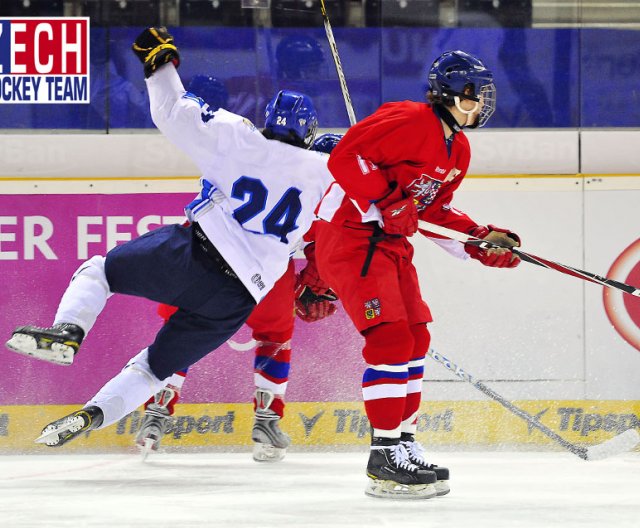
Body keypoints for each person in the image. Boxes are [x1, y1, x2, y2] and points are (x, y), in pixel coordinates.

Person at [4, 27, 334, 449]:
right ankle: (95, 413)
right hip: (240, 298)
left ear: (268, 121)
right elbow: (361, 217)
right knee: (153, 367)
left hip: (197, 254)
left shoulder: (238, 137)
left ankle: (68, 333)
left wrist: (159, 65)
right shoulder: (327, 172)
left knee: (100, 271)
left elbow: (172, 112)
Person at [314, 50, 522, 499]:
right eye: (472, 93)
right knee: (388, 339)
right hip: (349, 239)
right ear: (448, 92)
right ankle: (383, 453)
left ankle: (404, 442)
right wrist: (388, 197)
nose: (479, 102)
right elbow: (345, 158)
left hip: (389, 246)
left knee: (415, 336)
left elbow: (432, 212)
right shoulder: (408, 119)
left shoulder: (459, 150)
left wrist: (480, 241)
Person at [135, 129, 342, 463]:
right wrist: (310, 290)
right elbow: (328, 256)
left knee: (182, 329)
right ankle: (267, 422)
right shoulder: (325, 192)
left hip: (210, 261)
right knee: (275, 338)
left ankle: (156, 411)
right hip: (269, 272)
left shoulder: (243, 157)